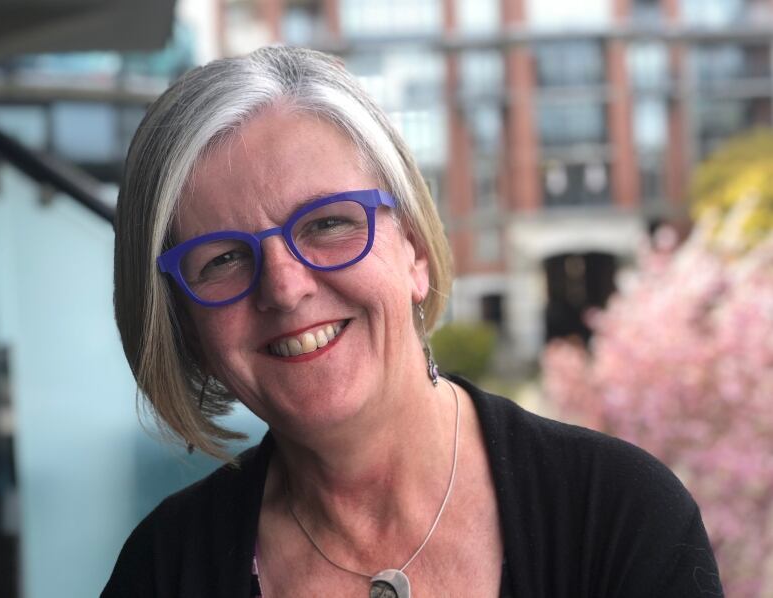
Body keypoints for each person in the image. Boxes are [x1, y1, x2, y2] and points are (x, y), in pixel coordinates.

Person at [103, 46, 723, 598]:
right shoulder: (161, 571)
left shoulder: (620, 516)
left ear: (416, 251)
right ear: (180, 322)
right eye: (225, 259)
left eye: (327, 223)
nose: (286, 289)